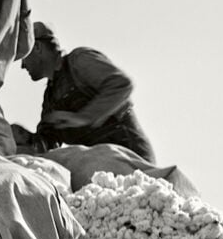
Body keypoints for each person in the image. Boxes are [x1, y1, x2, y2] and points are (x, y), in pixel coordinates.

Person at [13, 21, 156, 162]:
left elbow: (121, 84)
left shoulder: (79, 61)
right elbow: (46, 145)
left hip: (133, 160)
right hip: (100, 168)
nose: (22, 65)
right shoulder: (50, 98)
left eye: (23, 57)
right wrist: (20, 138)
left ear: (37, 47)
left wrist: (84, 117)